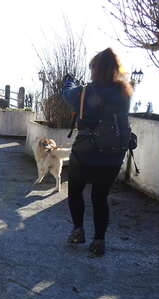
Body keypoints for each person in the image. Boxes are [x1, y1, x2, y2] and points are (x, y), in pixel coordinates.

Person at [61, 48, 133, 257]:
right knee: (100, 197)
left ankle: (78, 231)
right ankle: (99, 241)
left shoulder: (85, 92)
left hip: (86, 152)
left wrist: (69, 81)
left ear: (94, 69)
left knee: (75, 191)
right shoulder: (124, 93)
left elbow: (67, 94)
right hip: (113, 155)